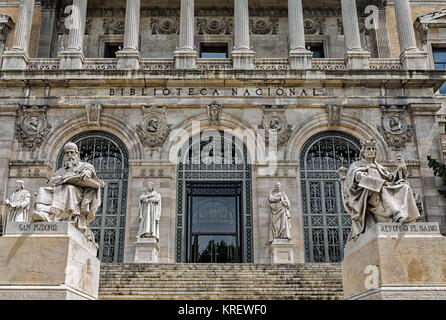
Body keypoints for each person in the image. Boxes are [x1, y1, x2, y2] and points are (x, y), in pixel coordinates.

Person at [338, 139, 420, 241]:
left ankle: (408, 215)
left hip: (383, 188)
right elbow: (355, 177)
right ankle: (396, 214)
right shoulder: (357, 165)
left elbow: (391, 178)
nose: (371, 151)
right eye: (368, 149)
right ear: (363, 152)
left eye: (373, 149)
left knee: (405, 187)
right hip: (366, 194)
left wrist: (400, 169)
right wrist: (373, 181)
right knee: (380, 187)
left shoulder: (379, 167)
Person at [32, 142, 104, 243]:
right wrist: (54, 180)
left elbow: (90, 171)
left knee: (68, 188)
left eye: (72, 153)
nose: (69, 155)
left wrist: (86, 174)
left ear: (77, 154)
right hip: (59, 191)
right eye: (67, 153)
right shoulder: (61, 170)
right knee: (42, 190)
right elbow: (52, 182)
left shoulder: (85, 165)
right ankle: (43, 212)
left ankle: (57, 215)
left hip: (78, 193)